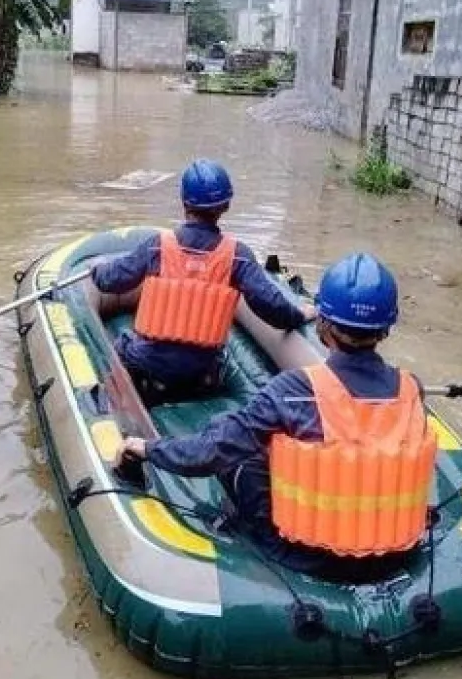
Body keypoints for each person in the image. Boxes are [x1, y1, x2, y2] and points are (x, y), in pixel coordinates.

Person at [116, 252, 438, 573]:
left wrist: (146, 448)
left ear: (323, 323)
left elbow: (214, 450)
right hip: (392, 548)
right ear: (385, 330)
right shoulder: (412, 389)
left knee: (231, 438)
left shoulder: (294, 391)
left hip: (306, 552)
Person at [91, 159, 315, 405]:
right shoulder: (238, 255)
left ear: (184, 202)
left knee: (119, 345)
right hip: (201, 374)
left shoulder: (158, 246)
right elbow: (272, 307)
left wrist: (97, 271)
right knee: (219, 360)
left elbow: (111, 281)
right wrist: (298, 316)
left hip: (149, 368)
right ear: (226, 205)